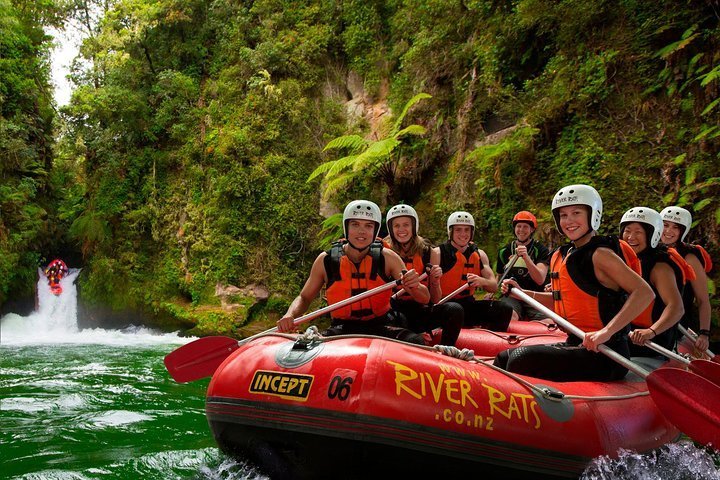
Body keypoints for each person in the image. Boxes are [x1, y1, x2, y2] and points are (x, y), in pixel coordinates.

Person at [494, 184, 654, 381]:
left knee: (520, 359)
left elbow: (645, 292)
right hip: (577, 341)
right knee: (503, 358)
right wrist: (522, 292)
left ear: (592, 215)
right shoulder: (565, 254)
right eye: (563, 215)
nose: (569, 221)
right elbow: (562, 301)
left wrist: (605, 332)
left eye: (576, 213)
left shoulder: (601, 254)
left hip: (606, 353)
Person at [276, 200, 428, 344]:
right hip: (342, 328)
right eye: (355, 225)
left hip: (380, 325)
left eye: (368, 226)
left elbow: (424, 298)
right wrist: (290, 315)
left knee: (416, 341)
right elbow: (304, 298)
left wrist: (414, 287)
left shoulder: (387, 257)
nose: (361, 231)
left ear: (375, 231)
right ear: (346, 227)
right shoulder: (326, 260)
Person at [384, 204, 464, 346]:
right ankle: (413, 338)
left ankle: (446, 352)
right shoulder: (384, 251)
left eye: (406, 225)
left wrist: (434, 280)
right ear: (390, 229)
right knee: (396, 319)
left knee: (454, 309)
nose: (401, 230)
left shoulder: (428, 252)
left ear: (414, 226)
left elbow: (434, 299)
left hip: (418, 308)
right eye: (396, 226)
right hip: (393, 309)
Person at [620, 207, 690, 356]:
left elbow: (677, 307)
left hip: (649, 341)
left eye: (638, 232)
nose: (631, 237)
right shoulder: (624, 260)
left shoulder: (659, 267)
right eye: (627, 230)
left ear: (652, 234)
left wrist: (651, 331)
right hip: (625, 332)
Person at [438, 211, 513, 330]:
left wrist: (481, 281)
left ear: (472, 232)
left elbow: (493, 286)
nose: (463, 234)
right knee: (455, 309)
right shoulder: (438, 253)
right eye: (458, 230)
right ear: (450, 232)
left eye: (467, 230)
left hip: (468, 304)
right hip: (446, 306)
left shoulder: (479, 254)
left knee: (505, 308)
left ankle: (491, 341)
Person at [660, 206, 713, 352]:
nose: (668, 231)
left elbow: (703, 300)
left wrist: (704, 333)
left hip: (676, 325)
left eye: (675, 227)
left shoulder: (689, 256)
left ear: (683, 231)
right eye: (665, 225)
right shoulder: (651, 249)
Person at [496, 211, 550, 321]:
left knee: (548, 322)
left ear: (532, 230)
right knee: (509, 316)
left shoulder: (540, 250)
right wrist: (492, 292)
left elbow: (540, 279)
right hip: (512, 295)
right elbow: (499, 276)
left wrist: (526, 258)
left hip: (534, 296)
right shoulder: (504, 251)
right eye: (518, 226)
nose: (521, 230)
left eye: (525, 227)